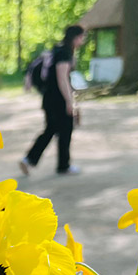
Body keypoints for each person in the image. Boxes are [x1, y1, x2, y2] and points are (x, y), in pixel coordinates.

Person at [20, 25, 86, 176]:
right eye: (82, 37)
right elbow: (62, 79)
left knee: (51, 130)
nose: (82, 41)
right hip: (59, 100)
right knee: (65, 131)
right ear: (76, 37)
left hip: (49, 99)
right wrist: (70, 102)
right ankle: (63, 166)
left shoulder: (57, 50)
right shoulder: (64, 54)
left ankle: (29, 159)